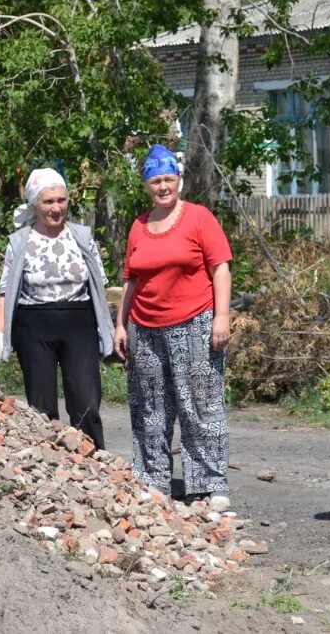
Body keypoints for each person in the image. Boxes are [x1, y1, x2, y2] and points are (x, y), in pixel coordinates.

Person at [113, 144, 233, 511]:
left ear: (179, 180)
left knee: (199, 404)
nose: (162, 186)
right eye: (155, 181)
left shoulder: (199, 218)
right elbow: (131, 280)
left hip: (195, 323)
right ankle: (152, 481)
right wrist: (121, 324)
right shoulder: (138, 225)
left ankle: (208, 484)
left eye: (168, 179)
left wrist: (222, 316)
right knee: (150, 408)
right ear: (147, 185)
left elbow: (221, 268)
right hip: (145, 329)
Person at [0, 168, 113, 449]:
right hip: (33, 327)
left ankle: (95, 466)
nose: (56, 208)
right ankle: (51, 466)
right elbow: (6, 292)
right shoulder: (20, 242)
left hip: (79, 323)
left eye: (61, 200)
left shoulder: (81, 236)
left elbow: (99, 287)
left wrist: (112, 328)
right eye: (48, 201)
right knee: (41, 408)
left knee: (86, 404)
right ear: (34, 205)